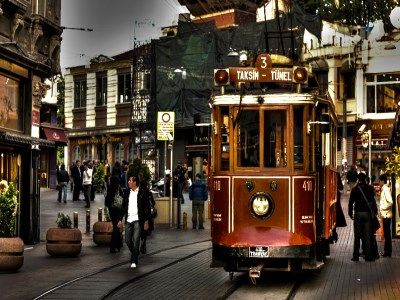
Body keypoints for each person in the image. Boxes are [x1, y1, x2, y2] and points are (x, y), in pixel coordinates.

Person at [118, 176, 151, 269]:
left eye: (130, 181)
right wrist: (120, 220)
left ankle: (134, 260)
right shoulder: (127, 192)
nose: (128, 182)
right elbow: (123, 206)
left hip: (138, 220)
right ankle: (135, 253)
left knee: (136, 240)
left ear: (135, 182)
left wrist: (146, 221)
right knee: (127, 240)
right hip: (128, 220)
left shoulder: (142, 193)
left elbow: (147, 208)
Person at [348, 172, 377, 262]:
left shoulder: (355, 189)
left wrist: (350, 213)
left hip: (358, 214)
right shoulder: (370, 188)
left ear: (358, 179)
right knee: (367, 235)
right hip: (367, 214)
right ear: (365, 179)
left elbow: (350, 202)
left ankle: (355, 256)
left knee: (357, 236)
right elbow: (373, 201)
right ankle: (368, 256)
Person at [105, 176, 124, 253]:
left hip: (112, 211)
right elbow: (123, 198)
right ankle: (114, 246)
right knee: (117, 228)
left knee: (116, 227)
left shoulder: (110, 189)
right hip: (118, 210)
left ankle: (117, 245)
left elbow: (106, 202)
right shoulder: (119, 188)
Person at [139, 180, 155, 254]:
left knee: (139, 230)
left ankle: (139, 243)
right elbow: (153, 203)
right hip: (147, 215)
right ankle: (143, 243)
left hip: (139, 215)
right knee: (145, 230)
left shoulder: (138, 193)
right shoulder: (148, 193)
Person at [378, 173, 393, 258]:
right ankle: (387, 252)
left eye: (379, 181)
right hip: (386, 215)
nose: (379, 182)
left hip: (387, 215)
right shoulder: (384, 189)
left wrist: (383, 208)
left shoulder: (386, 189)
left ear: (382, 181)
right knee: (386, 234)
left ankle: (388, 252)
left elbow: (390, 202)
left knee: (387, 234)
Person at [331, 172, 347, 242]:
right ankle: (333, 233)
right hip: (334, 197)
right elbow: (340, 187)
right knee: (334, 214)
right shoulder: (336, 174)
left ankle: (333, 233)